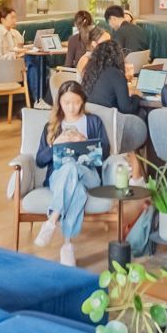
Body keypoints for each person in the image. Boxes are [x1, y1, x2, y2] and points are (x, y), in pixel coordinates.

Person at [19, 82, 115, 263]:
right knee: (75, 187)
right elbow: (40, 160)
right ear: (59, 103)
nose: (71, 108)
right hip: (59, 178)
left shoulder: (93, 121)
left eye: (76, 102)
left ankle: (52, 220)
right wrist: (55, 144)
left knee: (71, 167)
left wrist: (84, 141)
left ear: (83, 101)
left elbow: (105, 154)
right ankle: (67, 245)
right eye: (67, 103)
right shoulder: (52, 126)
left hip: (89, 176)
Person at [76, 9, 129, 114]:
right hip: (93, 110)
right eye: (105, 43)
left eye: (110, 41)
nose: (109, 46)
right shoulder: (86, 61)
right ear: (94, 44)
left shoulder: (105, 62)